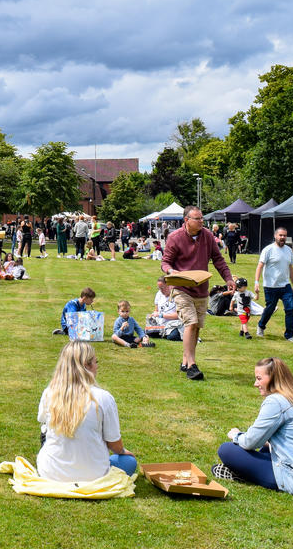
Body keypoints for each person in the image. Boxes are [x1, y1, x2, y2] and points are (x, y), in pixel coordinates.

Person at [214, 357, 293, 495]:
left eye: (259, 378)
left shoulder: (275, 402)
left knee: (227, 450)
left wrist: (236, 435)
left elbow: (250, 442)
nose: (255, 384)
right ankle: (244, 472)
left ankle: (243, 475)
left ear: (273, 378)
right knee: (265, 449)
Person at [36, 341, 137, 482]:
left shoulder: (49, 393)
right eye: (96, 362)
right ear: (87, 366)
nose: (97, 367)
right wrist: (123, 452)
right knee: (128, 462)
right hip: (94, 475)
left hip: (51, 473)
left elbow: (43, 425)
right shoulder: (103, 398)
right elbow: (114, 443)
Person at [161, 206, 234, 381]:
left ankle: (185, 360)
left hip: (201, 288)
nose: (202, 221)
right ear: (186, 220)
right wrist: (171, 272)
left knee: (197, 328)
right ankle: (192, 365)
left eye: (202, 218)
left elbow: (218, 259)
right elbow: (165, 262)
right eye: (197, 218)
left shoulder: (208, 236)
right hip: (181, 288)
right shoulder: (175, 237)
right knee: (191, 323)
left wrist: (228, 278)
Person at [254, 227, 293, 342]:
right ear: (275, 236)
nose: (282, 238)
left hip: (285, 286)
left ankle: (289, 335)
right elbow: (260, 266)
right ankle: (261, 325)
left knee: (290, 309)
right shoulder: (268, 250)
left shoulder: (288, 250)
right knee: (270, 308)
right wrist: (256, 282)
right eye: (280, 235)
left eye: (284, 235)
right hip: (270, 286)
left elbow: (291, 268)